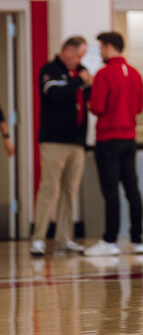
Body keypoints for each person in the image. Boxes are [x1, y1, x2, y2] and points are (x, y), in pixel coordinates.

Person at [84, 31, 143, 257]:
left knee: (111, 191)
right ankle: (137, 239)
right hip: (129, 138)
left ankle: (110, 240)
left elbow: (97, 107)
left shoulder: (103, 74)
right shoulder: (135, 74)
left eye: (101, 48)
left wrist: (91, 93)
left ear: (109, 47)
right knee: (132, 189)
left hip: (108, 140)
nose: (100, 52)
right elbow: (139, 107)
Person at [29, 36, 92, 256]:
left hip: (76, 142)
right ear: (66, 51)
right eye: (76, 55)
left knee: (69, 191)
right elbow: (54, 93)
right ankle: (38, 238)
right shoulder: (50, 69)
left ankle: (64, 238)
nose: (78, 60)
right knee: (49, 188)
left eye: (82, 56)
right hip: (53, 141)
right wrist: (78, 82)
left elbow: (89, 101)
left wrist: (89, 84)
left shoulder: (82, 71)